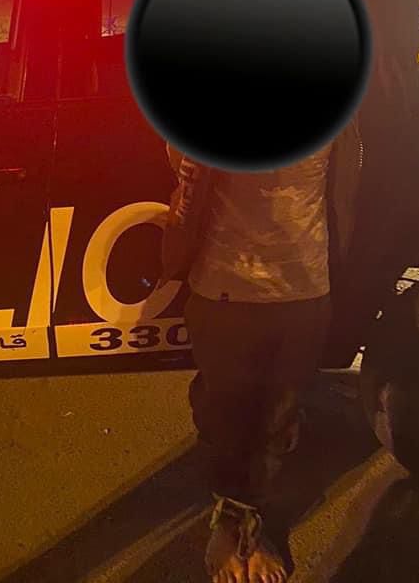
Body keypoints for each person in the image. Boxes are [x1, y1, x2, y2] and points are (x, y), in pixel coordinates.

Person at [161, 119, 363, 583]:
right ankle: (228, 527)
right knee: (225, 416)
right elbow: (180, 165)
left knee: (279, 417)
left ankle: (249, 520)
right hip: (224, 285)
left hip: (305, 285)